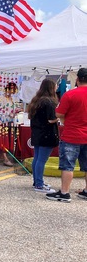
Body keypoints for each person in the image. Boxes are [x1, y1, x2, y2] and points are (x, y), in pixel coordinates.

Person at [46, 68, 87, 203]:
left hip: (71, 135)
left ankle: (64, 193)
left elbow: (58, 114)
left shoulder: (70, 95)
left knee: (67, 166)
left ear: (77, 79)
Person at [27, 78, 59, 193]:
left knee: (37, 158)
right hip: (47, 134)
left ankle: (37, 181)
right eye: (55, 86)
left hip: (37, 133)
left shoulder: (36, 100)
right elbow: (51, 119)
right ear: (51, 88)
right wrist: (59, 117)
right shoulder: (49, 102)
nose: (57, 88)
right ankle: (39, 184)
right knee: (42, 160)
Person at [0, 81, 20, 167]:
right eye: (11, 90)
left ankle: (2, 155)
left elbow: (12, 108)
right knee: (3, 139)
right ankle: (5, 158)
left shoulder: (11, 99)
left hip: (9, 121)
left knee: (7, 138)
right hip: (2, 121)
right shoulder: (1, 98)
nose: (12, 93)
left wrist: (16, 111)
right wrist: (10, 113)